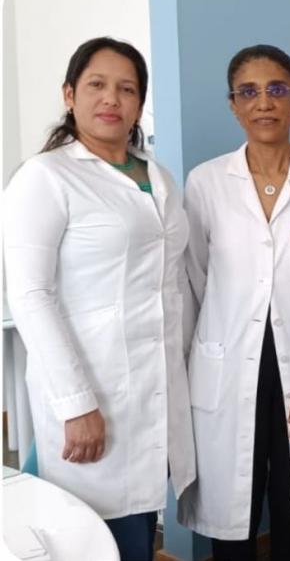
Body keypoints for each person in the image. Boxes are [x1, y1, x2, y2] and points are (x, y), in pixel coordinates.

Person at [3, 37, 196, 561]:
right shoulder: (45, 177)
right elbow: (31, 295)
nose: (112, 98)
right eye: (97, 85)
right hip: (92, 391)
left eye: (127, 89)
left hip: (155, 388)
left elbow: (170, 285)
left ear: (139, 103)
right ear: (70, 95)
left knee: (138, 527)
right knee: (93, 536)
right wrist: (77, 403)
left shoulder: (157, 176)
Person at [177, 44, 290, 561]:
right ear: (233, 105)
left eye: (277, 89)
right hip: (229, 367)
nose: (264, 102)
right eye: (249, 92)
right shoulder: (206, 184)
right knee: (231, 516)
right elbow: (195, 280)